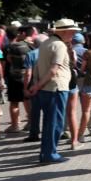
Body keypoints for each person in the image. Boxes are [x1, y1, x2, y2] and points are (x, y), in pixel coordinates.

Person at [26, 19, 78, 164]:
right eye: (72, 31)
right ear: (64, 31)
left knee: (50, 122)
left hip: (47, 88)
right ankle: (50, 154)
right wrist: (37, 86)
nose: (73, 34)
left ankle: (47, 153)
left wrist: (36, 84)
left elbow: (38, 67)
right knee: (55, 123)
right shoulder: (59, 45)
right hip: (56, 87)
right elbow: (53, 70)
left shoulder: (46, 43)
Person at [4, 27, 33, 133]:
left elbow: (8, 60)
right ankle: (31, 123)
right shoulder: (29, 46)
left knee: (14, 102)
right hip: (27, 76)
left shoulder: (10, 47)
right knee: (27, 100)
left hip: (14, 77)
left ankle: (15, 125)